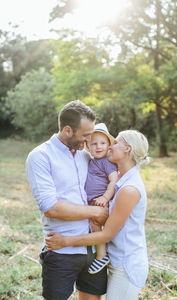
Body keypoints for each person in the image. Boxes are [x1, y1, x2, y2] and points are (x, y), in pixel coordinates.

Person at [46, 129, 151, 300]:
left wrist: (65, 241)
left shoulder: (129, 189)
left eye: (115, 143)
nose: (110, 147)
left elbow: (107, 233)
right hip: (115, 260)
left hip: (125, 265)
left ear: (127, 149)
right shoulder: (120, 179)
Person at [26, 100, 108, 300]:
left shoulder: (85, 156)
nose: (89, 140)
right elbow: (50, 207)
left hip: (92, 248)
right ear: (68, 130)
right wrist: (96, 212)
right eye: (86, 135)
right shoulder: (40, 156)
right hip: (61, 250)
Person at [85, 123, 118, 274]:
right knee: (94, 224)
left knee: (96, 223)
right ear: (88, 147)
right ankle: (100, 250)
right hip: (93, 203)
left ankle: (101, 255)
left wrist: (105, 197)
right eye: (94, 144)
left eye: (102, 143)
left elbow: (114, 180)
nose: (98, 147)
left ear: (109, 145)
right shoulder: (91, 161)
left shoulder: (107, 162)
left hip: (101, 202)